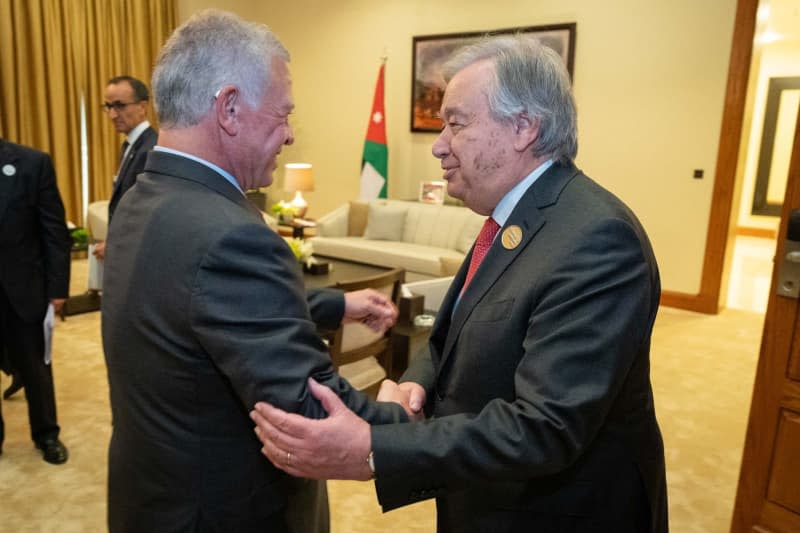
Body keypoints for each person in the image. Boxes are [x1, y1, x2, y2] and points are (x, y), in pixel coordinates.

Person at [252, 35, 669, 532]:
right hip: (485, 495)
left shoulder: (596, 240)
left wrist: (373, 449)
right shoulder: (514, 215)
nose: (438, 144)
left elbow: (546, 427)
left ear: (523, 127)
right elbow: (457, 329)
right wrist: (415, 383)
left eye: (456, 122)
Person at [101, 10, 408, 533]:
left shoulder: (144, 198)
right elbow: (313, 415)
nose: (290, 135)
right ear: (230, 108)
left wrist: (337, 304)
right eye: (284, 114)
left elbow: (196, 305)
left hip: (152, 496)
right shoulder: (230, 232)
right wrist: (398, 410)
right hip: (225, 512)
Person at [0, 138, 71, 464]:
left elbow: (54, 230)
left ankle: (46, 434)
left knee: (36, 369)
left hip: (24, 289)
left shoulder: (32, 162)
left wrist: (57, 289)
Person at [92, 75, 157, 261]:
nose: (112, 114)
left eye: (120, 106)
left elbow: (144, 212)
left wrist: (116, 245)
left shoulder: (150, 148)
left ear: (142, 107)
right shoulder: (131, 145)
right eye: (108, 106)